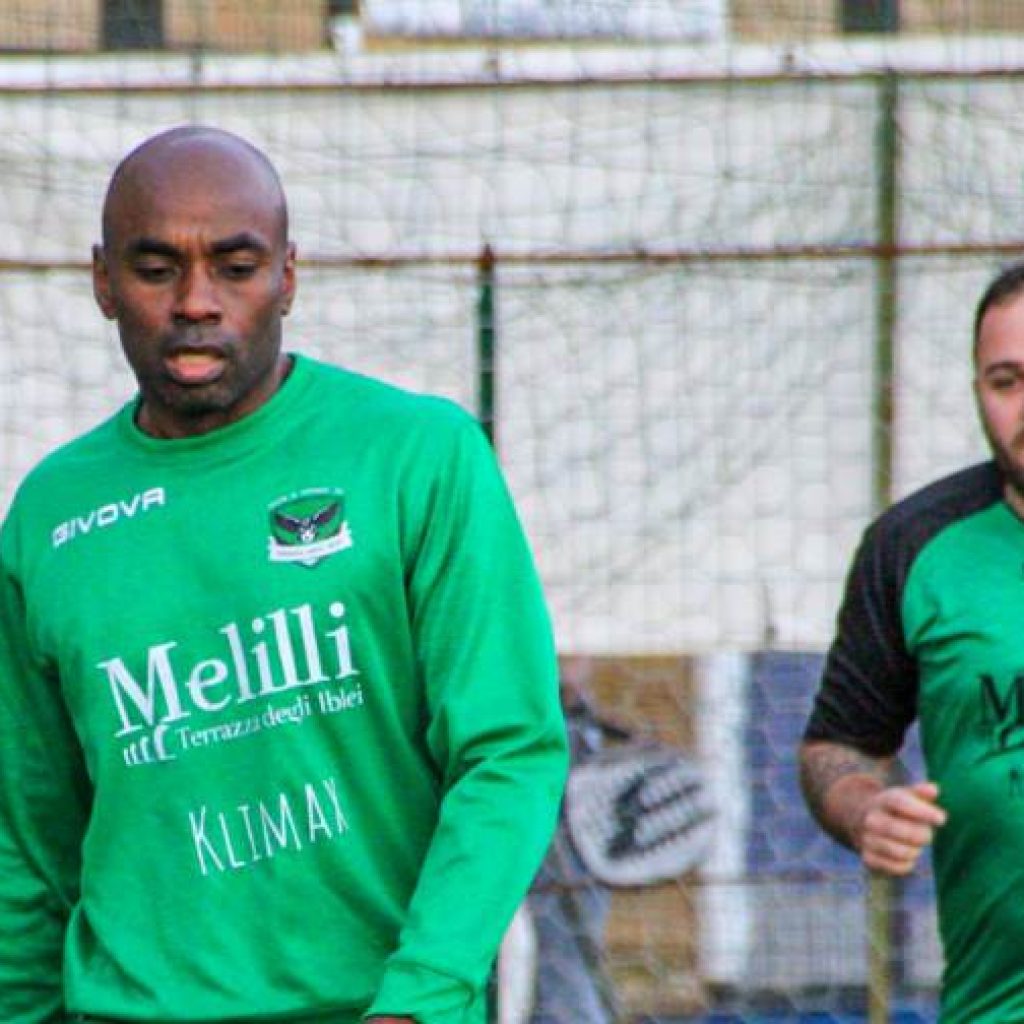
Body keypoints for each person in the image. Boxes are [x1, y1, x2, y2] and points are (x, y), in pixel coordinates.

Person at [0, 125, 568, 1024]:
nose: (196, 302)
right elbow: (27, 843)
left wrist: (421, 997)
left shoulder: (416, 455)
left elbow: (508, 754)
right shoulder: (50, 517)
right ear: (103, 282)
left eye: (235, 267)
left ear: (288, 278)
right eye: (156, 269)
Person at [800, 259, 1024, 1023]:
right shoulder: (912, 547)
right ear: (977, 391)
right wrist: (865, 809)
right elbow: (837, 746)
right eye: (1007, 381)